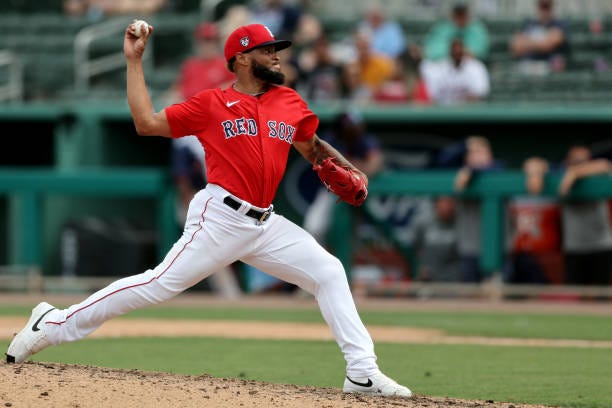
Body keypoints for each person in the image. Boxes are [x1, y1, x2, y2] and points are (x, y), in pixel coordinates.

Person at [6, 22, 412, 398]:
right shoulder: (211, 103)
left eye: (277, 49)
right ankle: (53, 324)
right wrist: (133, 62)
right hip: (220, 217)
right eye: (267, 50)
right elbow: (146, 123)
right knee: (157, 285)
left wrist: (350, 169)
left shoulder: (288, 101)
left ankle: (361, 372)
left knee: (329, 271)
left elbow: (314, 147)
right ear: (240, 58)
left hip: (265, 222)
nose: (276, 56)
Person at [166, 22, 241, 298]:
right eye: (204, 40)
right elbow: (174, 95)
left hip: (214, 136)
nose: (207, 45)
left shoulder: (225, 67)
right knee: (195, 224)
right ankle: (188, 201)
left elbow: (234, 91)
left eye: (211, 40)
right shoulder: (191, 66)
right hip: (192, 136)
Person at [527, 145, 612, 285]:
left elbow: (604, 165)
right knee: (574, 293)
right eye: (576, 160)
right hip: (574, 246)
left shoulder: (599, 173)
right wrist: (535, 173)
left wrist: (574, 173)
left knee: (600, 294)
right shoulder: (560, 175)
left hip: (601, 245)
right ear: (567, 160)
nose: (580, 162)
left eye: (584, 159)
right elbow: (535, 163)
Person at [303, 110, 384, 245]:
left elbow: (374, 165)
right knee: (314, 227)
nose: (355, 129)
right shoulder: (329, 140)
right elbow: (330, 164)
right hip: (331, 192)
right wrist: (356, 165)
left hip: (361, 192)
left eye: (357, 125)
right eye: (350, 127)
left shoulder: (365, 140)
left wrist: (348, 164)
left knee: (375, 227)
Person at [420, 38, 490, 105]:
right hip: (444, 113)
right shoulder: (439, 68)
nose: (457, 52)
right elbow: (433, 96)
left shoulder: (476, 67)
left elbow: (480, 93)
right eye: (454, 49)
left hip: (470, 112)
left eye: (459, 50)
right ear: (450, 50)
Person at [509, 0, 570, 75]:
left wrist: (527, 42)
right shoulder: (528, 24)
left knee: (557, 62)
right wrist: (544, 40)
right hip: (528, 65)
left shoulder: (559, 24)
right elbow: (516, 47)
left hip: (549, 66)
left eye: (547, 7)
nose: (544, 10)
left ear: (552, 7)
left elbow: (548, 45)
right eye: (542, 6)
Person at [412, 196, 462, 282]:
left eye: (452, 202)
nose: (449, 206)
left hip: (452, 281)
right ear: (437, 203)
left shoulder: (460, 225)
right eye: (445, 202)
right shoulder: (423, 224)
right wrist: (421, 268)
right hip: (428, 279)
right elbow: (416, 248)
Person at [423, 1, 490, 62]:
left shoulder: (477, 29)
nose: (460, 17)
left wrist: (463, 52)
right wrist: (454, 52)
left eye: (462, 13)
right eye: (458, 13)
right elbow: (432, 51)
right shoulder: (442, 28)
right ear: (452, 14)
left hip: (470, 64)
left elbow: (481, 52)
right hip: (444, 64)